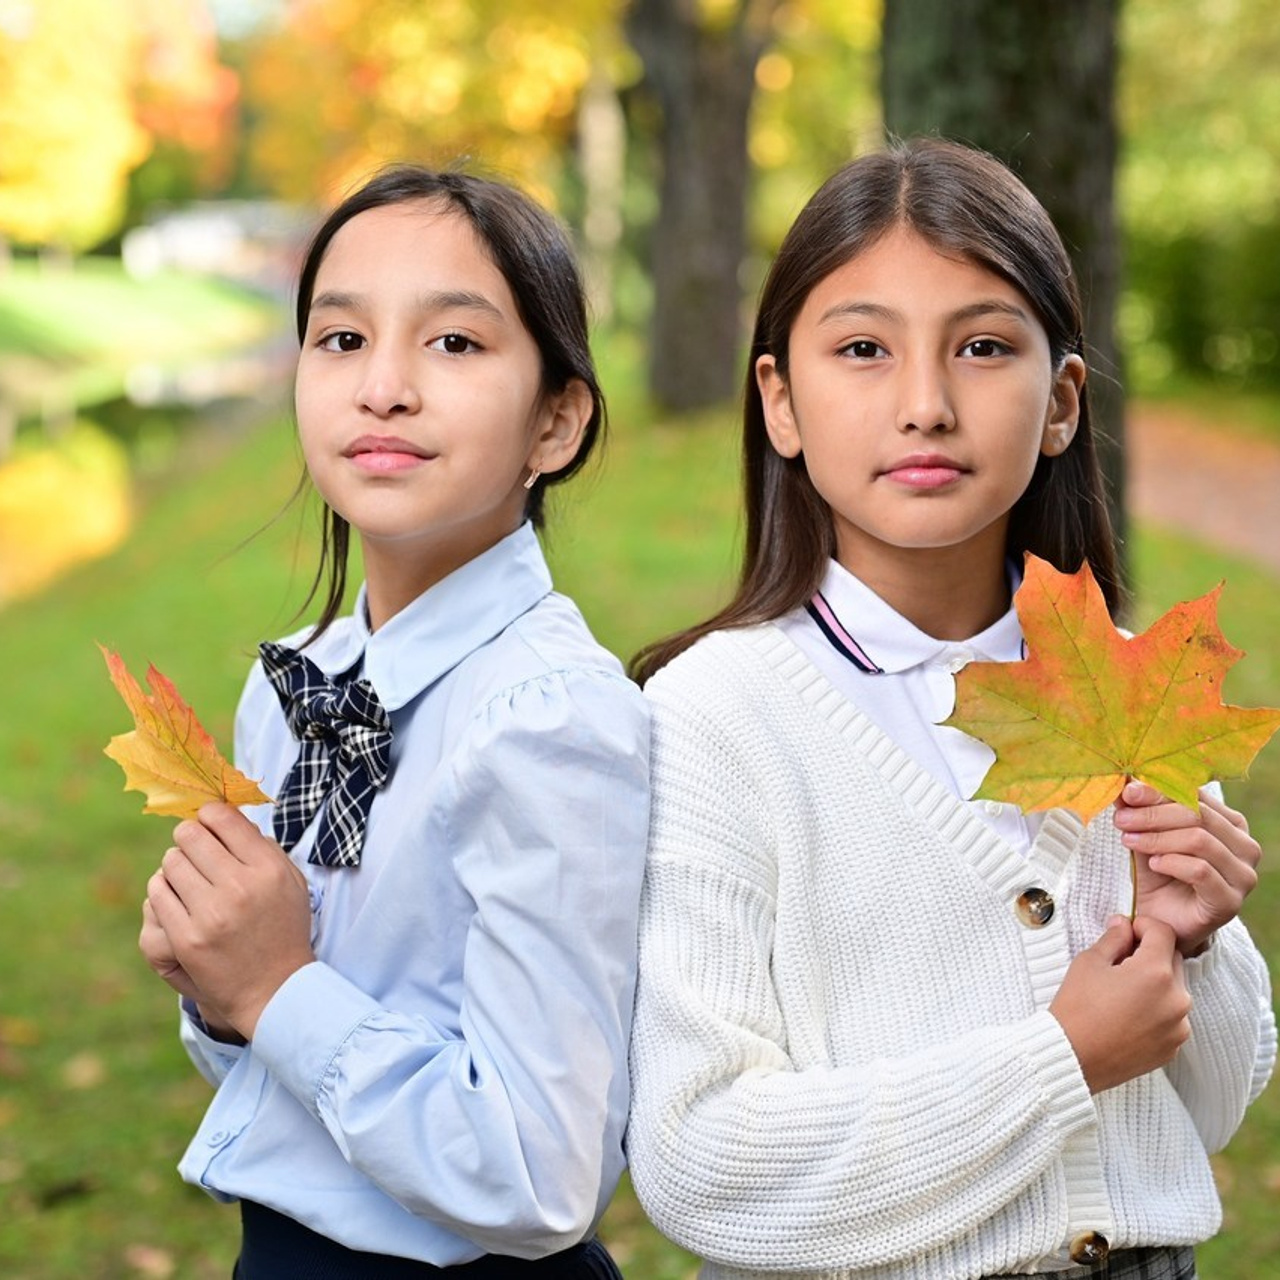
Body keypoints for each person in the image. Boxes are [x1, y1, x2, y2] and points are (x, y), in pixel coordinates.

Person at [626, 138, 1275, 1280]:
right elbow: (699, 1158)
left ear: (1061, 401)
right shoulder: (714, 718)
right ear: (778, 398)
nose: (923, 404)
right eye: (862, 349)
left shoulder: (1132, 694)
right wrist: (1058, 1056)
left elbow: (1207, 1112)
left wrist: (1200, 941)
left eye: (981, 347)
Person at [138, 165, 649, 1278]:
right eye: (340, 339)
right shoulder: (302, 684)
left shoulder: (545, 718)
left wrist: (276, 987)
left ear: (555, 420)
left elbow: (539, 1174)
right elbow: (277, 1084)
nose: (384, 387)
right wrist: (224, 996)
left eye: (454, 344)